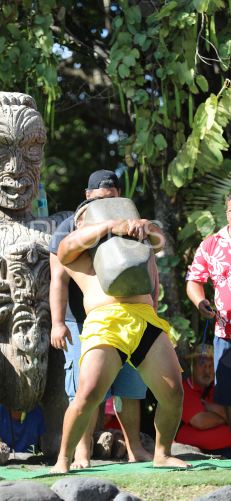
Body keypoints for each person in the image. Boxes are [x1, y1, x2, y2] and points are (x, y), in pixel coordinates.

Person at [50, 199, 191, 473]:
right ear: (81, 221)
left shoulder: (132, 244)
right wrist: (111, 225)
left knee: (173, 393)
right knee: (88, 395)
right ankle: (63, 459)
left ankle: (162, 454)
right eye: (94, 215)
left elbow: (159, 241)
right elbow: (68, 245)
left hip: (145, 319)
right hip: (105, 322)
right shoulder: (73, 251)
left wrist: (143, 225)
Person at [49, 170, 155, 468]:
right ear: (87, 196)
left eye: (112, 198)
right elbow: (57, 279)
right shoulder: (69, 227)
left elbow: (149, 266)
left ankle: (136, 448)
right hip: (80, 320)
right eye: (99, 199)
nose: (106, 203)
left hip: (127, 317)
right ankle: (80, 454)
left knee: (129, 387)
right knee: (86, 389)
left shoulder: (129, 221)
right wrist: (58, 323)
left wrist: (152, 308)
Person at [186, 192, 231, 436]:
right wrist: (200, 300)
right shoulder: (211, 244)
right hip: (226, 332)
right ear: (226, 211)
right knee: (228, 394)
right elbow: (194, 279)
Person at [176, 344, 231, 457]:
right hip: (197, 452)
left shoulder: (220, 389)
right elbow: (200, 422)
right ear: (193, 365)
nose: (207, 370)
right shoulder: (184, 389)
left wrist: (214, 408)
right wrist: (226, 416)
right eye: (203, 364)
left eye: (211, 366)